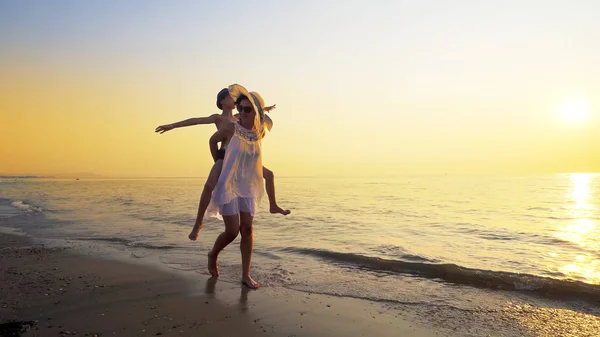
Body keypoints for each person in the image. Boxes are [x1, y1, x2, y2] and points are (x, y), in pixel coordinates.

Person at [155, 88, 290, 242]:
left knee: (269, 175)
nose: (234, 100)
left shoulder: (239, 116)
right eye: (229, 97)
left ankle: (273, 205)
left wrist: (266, 109)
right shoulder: (218, 118)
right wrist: (172, 126)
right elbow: (197, 121)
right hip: (223, 156)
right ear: (222, 102)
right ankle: (198, 222)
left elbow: (253, 110)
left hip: (239, 158)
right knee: (208, 186)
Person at [205, 84, 272, 289]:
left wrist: (262, 109)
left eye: (246, 109)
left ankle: (245, 275)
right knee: (232, 231)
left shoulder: (261, 131)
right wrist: (219, 161)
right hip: (229, 183)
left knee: (248, 229)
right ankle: (213, 254)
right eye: (239, 108)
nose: (241, 112)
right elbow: (212, 140)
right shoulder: (232, 126)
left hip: (248, 184)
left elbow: (266, 119)